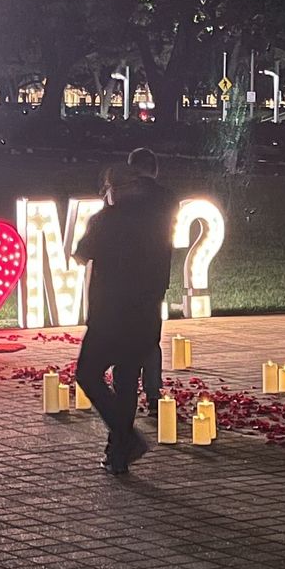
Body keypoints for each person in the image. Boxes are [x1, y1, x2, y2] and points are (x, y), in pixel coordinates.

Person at [73, 162, 180, 475]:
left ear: (114, 189)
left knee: (88, 374)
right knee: (126, 380)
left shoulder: (106, 220)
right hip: (145, 313)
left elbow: (81, 254)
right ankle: (118, 453)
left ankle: (126, 437)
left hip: (110, 313)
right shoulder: (158, 221)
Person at [125, 147, 176, 414]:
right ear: (155, 169)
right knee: (150, 335)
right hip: (155, 275)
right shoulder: (168, 198)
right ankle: (153, 392)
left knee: (126, 332)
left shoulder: (125, 198)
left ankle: (127, 390)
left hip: (127, 276)